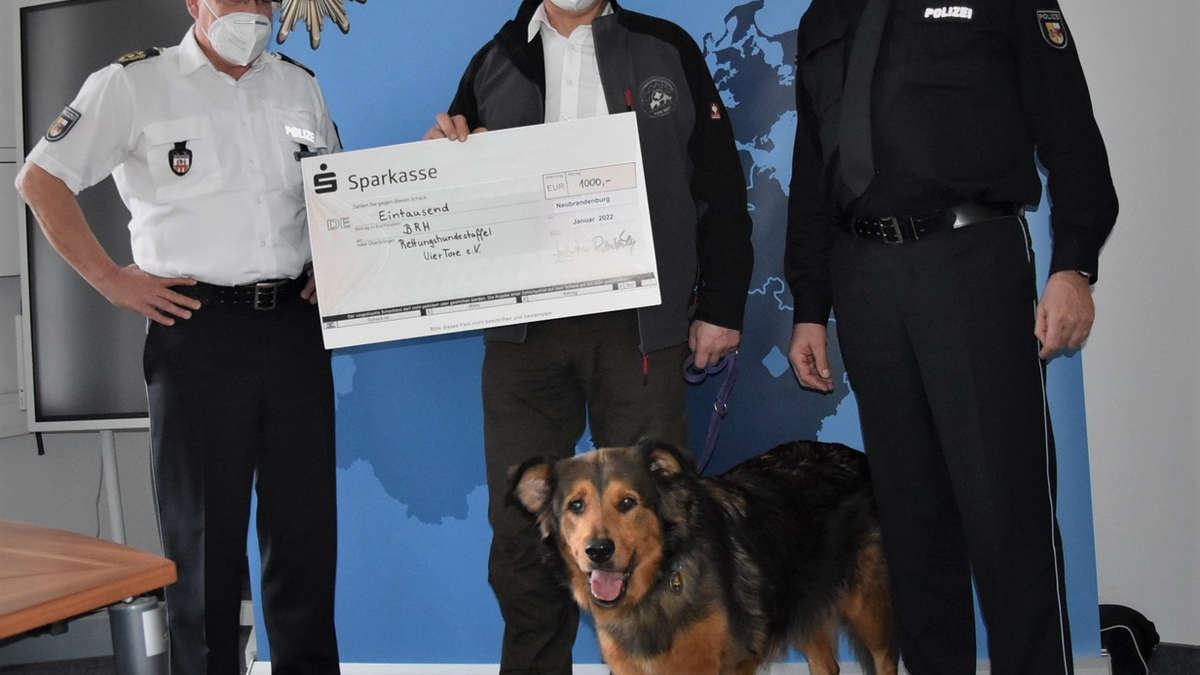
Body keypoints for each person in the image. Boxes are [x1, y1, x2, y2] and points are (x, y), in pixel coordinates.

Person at [786, 0, 1117, 674]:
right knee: (912, 524)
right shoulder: (825, 15)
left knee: (1006, 515)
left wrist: (1073, 264)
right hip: (865, 277)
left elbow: (1070, 130)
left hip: (970, 263)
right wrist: (810, 305)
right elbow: (812, 170)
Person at [425, 1, 754, 672]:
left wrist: (720, 305)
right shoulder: (495, 60)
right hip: (523, 334)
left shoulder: (666, 48)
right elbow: (456, 180)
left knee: (660, 518)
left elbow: (719, 182)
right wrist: (445, 162)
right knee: (523, 522)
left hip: (638, 324)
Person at [15, 1, 342, 673]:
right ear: (194, 2)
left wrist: (329, 259)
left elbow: (331, 189)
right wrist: (109, 279)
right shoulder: (132, 84)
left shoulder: (297, 84)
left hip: (292, 332)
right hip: (196, 332)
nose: (248, 9)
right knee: (202, 547)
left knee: (305, 538)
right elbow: (39, 178)